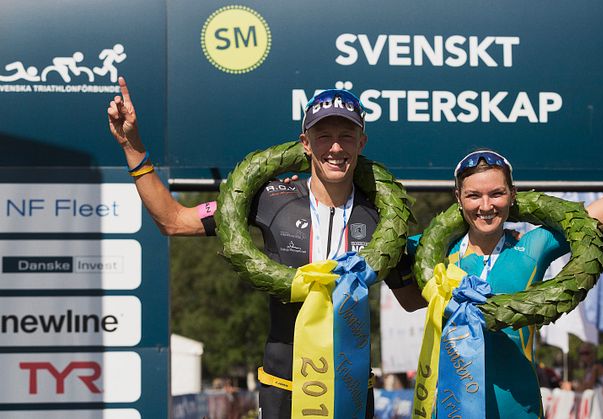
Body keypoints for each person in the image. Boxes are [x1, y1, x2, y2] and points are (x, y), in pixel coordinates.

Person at [106, 78, 422, 418]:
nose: (335, 148)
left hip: (352, 388)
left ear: (361, 142)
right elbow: (173, 220)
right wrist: (132, 147)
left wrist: (451, 261)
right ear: (305, 143)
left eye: (346, 136)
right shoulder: (270, 199)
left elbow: (411, 299)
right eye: (323, 136)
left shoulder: (381, 216)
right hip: (282, 387)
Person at [432, 69, 603, 418]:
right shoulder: (434, 250)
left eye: (497, 193)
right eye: (474, 196)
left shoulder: (534, 245)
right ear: (458, 199)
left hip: (522, 409)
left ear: (512, 195)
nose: (486, 206)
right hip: (452, 410)